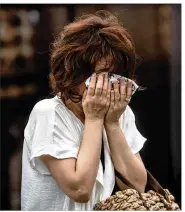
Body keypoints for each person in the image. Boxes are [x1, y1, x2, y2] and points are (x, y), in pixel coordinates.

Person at [21, 10, 147, 210]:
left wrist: (112, 123)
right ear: (73, 73)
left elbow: (138, 185)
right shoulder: (49, 113)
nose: (108, 85)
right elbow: (79, 190)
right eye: (100, 75)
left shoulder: (119, 112)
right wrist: (95, 119)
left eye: (115, 75)